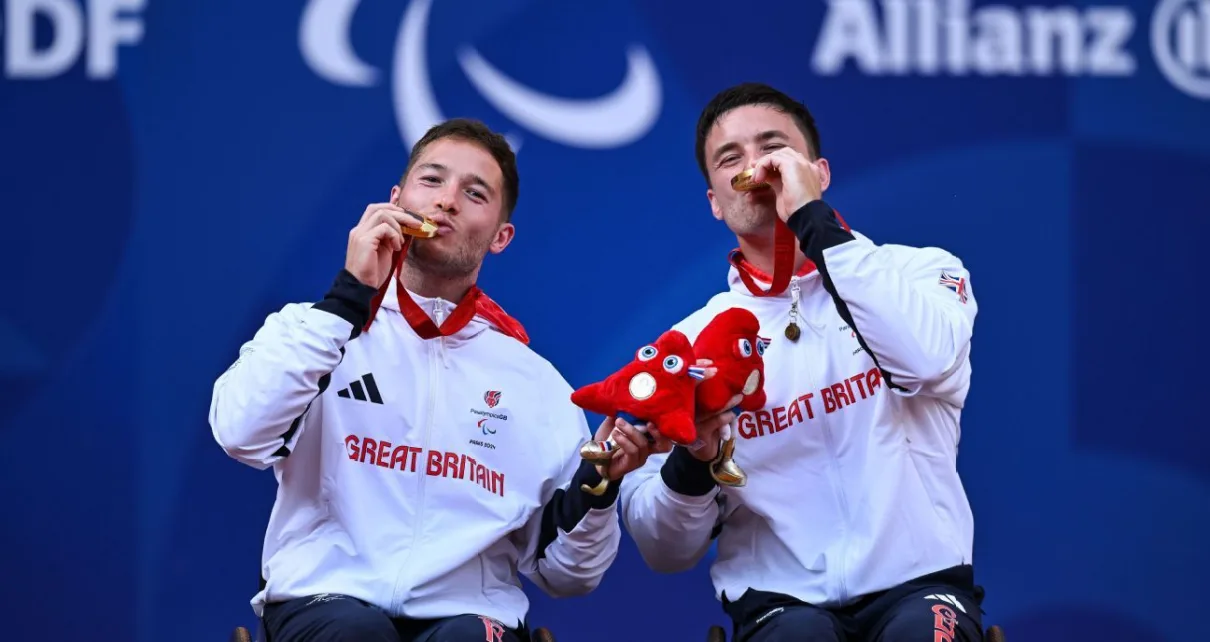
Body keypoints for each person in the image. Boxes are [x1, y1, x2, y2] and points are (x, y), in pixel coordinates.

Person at [210, 118, 660, 642]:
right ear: (395, 200)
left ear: (501, 236)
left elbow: (569, 576)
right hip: (326, 598)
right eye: (432, 181)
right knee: (356, 635)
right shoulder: (313, 330)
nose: (447, 201)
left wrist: (598, 487)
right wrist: (348, 297)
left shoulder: (537, 384)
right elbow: (239, 433)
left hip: (472, 615)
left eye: (474, 193)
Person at [619, 83, 985, 641]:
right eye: (730, 158)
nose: (756, 167)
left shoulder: (918, 273)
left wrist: (814, 221)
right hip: (779, 606)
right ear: (715, 201)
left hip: (922, 584)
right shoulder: (687, 348)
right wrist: (696, 461)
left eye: (773, 147)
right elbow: (663, 548)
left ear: (819, 172)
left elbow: (927, 362)